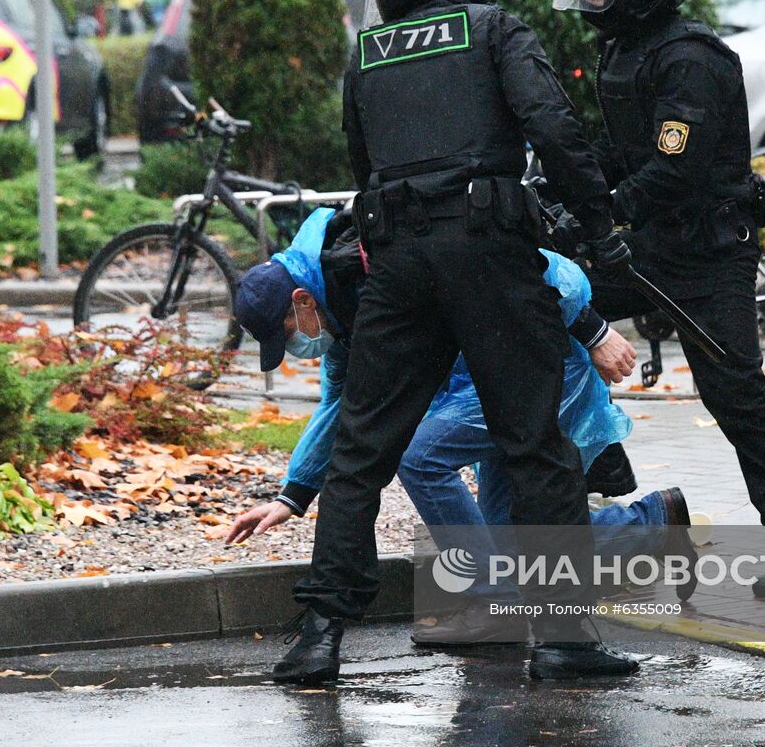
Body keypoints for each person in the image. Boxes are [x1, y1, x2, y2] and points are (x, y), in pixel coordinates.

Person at [273, 0, 638, 685]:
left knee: (362, 454)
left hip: (399, 266)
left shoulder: (367, 54)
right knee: (535, 445)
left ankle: (318, 635)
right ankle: (566, 638)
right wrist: (602, 230)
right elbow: (553, 128)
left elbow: (363, 168)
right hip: (491, 256)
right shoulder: (495, 28)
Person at [227, 208, 696, 645]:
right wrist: (293, 495)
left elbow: (520, 263)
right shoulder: (339, 314)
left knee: (420, 457)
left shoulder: (370, 261)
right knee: (509, 537)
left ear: (302, 300)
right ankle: (655, 522)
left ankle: (492, 604)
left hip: (535, 361)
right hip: (486, 375)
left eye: (287, 333)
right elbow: (339, 405)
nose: (294, 348)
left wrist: (592, 330)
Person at [551, 0, 765, 599]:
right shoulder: (622, 51)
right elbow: (622, 154)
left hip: (709, 254)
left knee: (733, 386)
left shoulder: (691, 60)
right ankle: (603, 468)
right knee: (551, 307)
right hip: (652, 249)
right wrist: (566, 191)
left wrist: (607, 209)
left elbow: (673, 168)